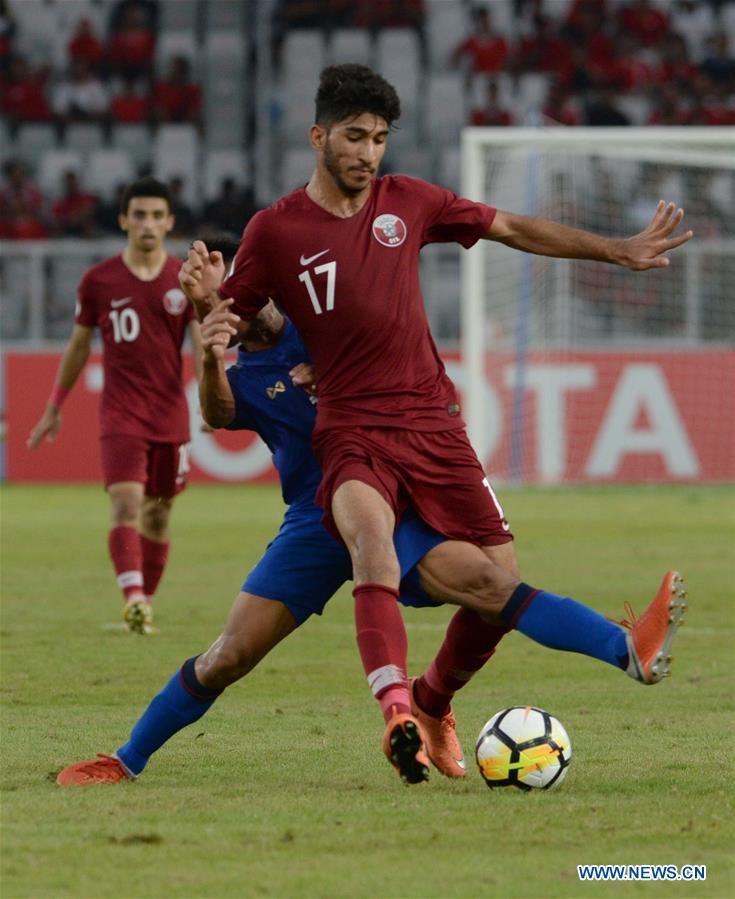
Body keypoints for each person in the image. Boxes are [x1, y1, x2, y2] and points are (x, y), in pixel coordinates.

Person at [179, 64, 691, 784]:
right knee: (376, 554)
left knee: (499, 588)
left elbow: (511, 226)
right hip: (354, 432)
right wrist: (208, 308)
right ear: (319, 137)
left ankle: (429, 701)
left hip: (434, 424)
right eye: (354, 137)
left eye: (379, 138)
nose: (367, 152)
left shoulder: (409, 201)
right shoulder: (276, 228)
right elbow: (238, 324)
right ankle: (410, 704)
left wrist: (615, 248)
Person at [56, 236, 511, 786]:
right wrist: (209, 353)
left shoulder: (323, 319)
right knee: (229, 655)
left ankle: (432, 701)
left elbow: (390, 339)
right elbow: (217, 414)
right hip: (314, 520)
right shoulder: (242, 376)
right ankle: (126, 759)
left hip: (392, 498)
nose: (241, 305)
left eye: (244, 290)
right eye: (222, 304)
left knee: (497, 592)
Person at [28, 177, 203, 635]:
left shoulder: (183, 279)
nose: (147, 223)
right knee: (126, 504)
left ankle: (144, 608)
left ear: (169, 222)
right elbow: (78, 346)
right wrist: (54, 406)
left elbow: (202, 345)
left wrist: (211, 401)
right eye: (139, 215)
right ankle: (134, 599)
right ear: (124, 220)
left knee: (159, 514)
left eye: (156, 216)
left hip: (170, 415)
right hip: (120, 415)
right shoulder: (99, 280)